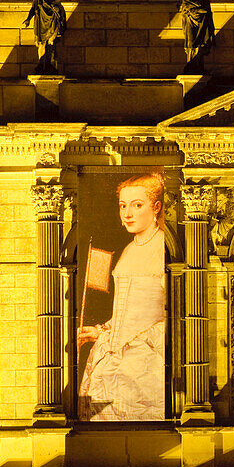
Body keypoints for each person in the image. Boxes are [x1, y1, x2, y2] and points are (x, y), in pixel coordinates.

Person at [77, 173, 167, 421]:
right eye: (123, 206)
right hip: (113, 353)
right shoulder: (129, 249)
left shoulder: (162, 248)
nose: (127, 213)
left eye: (137, 205)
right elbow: (124, 312)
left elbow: (175, 315)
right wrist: (101, 330)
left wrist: (137, 346)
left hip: (144, 359)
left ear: (156, 207)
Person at [22, 0, 66, 74]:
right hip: (41, 23)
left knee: (51, 43)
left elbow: (61, 10)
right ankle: (41, 63)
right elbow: (33, 9)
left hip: (52, 23)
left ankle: (50, 64)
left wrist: (57, 9)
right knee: (41, 43)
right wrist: (28, 19)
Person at [179, 0, 215, 73]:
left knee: (200, 43)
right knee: (190, 43)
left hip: (202, 23)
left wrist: (195, 10)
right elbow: (185, 8)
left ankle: (199, 64)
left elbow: (207, 11)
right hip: (190, 21)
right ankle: (190, 63)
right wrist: (196, 10)